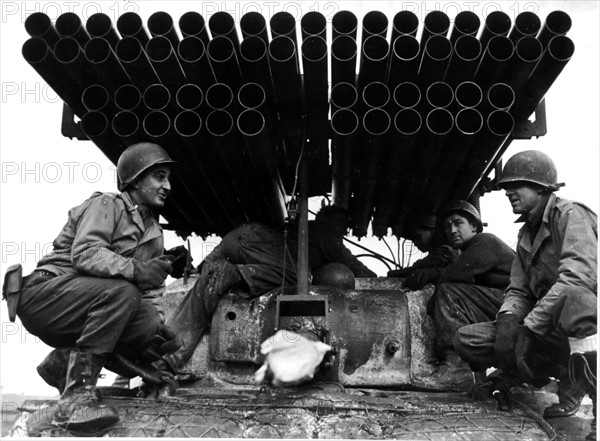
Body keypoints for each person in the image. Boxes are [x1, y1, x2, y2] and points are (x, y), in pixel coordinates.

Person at [13, 142, 182, 433]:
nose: (167, 185)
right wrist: (137, 270)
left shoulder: (154, 234)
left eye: (168, 178)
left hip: (85, 306)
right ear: (136, 179)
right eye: (159, 176)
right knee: (122, 293)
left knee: (147, 321)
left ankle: (63, 361)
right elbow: (87, 252)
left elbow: (150, 292)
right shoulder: (107, 204)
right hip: (44, 294)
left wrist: (157, 336)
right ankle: (77, 395)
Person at [454, 150, 597, 439]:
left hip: (581, 324)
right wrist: (508, 323)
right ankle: (526, 374)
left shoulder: (571, 215)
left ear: (540, 186)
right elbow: (518, 289)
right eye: (506, 187)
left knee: (576, 299)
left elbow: (577, 277)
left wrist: (529, 328)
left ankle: (581, 385)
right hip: (549, 328)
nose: (508, 192)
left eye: (515, 185)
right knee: (468, 339)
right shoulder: (525, 235)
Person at [165, 205, 376, 370]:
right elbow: (354, 266)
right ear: (327, 219)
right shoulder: (325, 232)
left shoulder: (306, 231)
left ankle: (168, 355)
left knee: (207, 277)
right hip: (256, 241)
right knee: (299, 276)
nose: (344, 229)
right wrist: (383, 277)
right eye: (342, 223)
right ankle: (235, 274)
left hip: (238, 236)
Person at [427, 201, 515, 360]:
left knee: (448, 291)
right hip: (504, 307)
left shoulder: (485, 241)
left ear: (474, 226)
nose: (452, 230)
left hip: (515, 306)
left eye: (458, 223)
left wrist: (430, 308)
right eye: (447, 226)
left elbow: (453, 275)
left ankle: (455, 362)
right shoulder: (469, 251)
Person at [387, 214, 459, 287]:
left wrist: (396, 273)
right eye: (413, 239)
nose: (415, 243)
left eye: (418, 237)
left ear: (432, 231)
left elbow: (428, 263)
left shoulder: (446, 251)